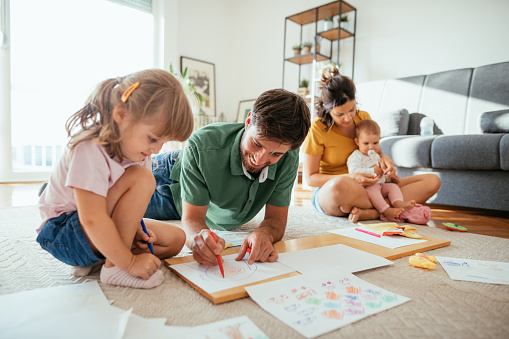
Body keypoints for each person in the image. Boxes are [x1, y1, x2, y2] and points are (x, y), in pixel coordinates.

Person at [37, 69, 195, 289]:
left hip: (95, 227)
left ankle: (103, 258)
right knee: (143, 178)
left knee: (175, 240)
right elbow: (91, 219)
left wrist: (136, 229)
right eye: (153, 138)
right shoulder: (90, 148)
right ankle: (115, 268)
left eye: (164, 143)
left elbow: (124, 207)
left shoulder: (140, 153)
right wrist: (130, 263)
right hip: (65, 233)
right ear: (121, 115)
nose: (157, 149)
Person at [144, 89, 311, 267]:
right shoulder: (201, 145)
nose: (260, 159)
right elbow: (192, 218)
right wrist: (197, 239)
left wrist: (265, 233)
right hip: (167, 179)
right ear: (247, 122)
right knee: (118, 216)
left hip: (198, 200)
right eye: (256, 143)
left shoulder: (288, 157)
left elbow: (276, 218)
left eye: (276, 153)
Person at [302, 68, 440, 222]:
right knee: (339, 186)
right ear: (327, 109)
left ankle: (374, 212)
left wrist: (385, 161)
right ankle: (384, 208)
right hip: (335, 190)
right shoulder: (317, 128)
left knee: (432, 181)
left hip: (372, 186)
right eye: (340, 114)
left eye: (352, 110)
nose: (348, 118)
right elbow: (311, 178)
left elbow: (377, 153)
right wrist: (351, 177)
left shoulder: (363, 118)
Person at [347, 119, 416, 220]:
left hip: (380, 185)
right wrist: (373, 171)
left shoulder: (377, 156)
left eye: (375, 143)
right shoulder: (356, 156)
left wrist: (390, 177)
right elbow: (353, 171)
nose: (371, 147)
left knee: (393, 187)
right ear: (357, 141)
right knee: (373, 189)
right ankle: (386, 210)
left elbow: (382, 175)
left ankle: (398, 203)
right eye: (366, 143)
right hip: (366, 187)